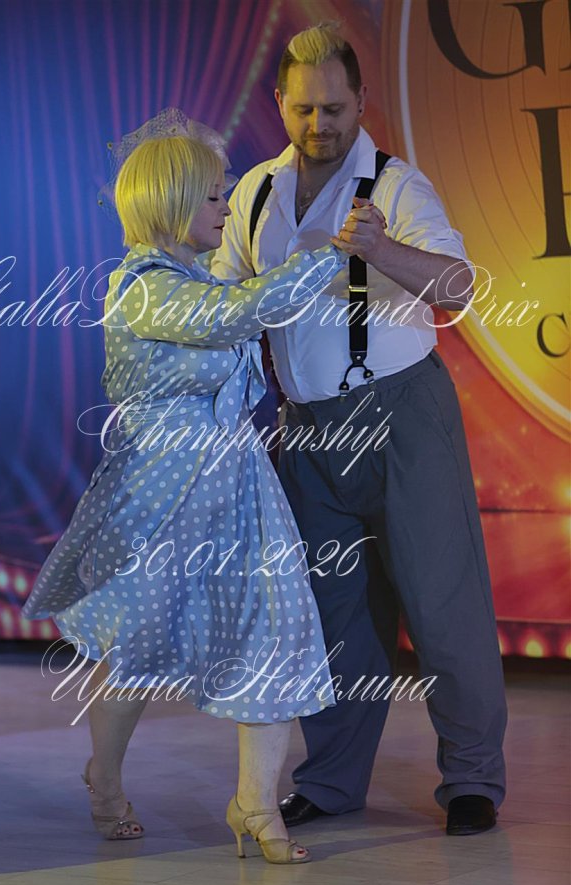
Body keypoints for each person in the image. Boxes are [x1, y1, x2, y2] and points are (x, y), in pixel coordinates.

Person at [22, 110, 363, 864]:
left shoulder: (198, 278)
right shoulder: (142, 286)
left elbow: (239, 314)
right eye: (214, 195)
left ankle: (256, 806)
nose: (226, 206)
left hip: (238, 483)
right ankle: (106, 781)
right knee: (136, 646)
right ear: (173, 202)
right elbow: (236, 315)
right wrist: (329, 255)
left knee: (276, 634)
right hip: (161, 492)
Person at [212, 23, 507, 836]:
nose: (319, 124)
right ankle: (333, 781)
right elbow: (223, 301)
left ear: (362, 101)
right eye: (304, 108)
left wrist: (385, 249)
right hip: (306, 430)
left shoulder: (396, 184)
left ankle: (473, 779)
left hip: (403, 415)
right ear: (280, 102)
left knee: (443, 603)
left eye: (334, 108)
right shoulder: (255, 193)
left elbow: (460, 286)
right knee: (333, 614)